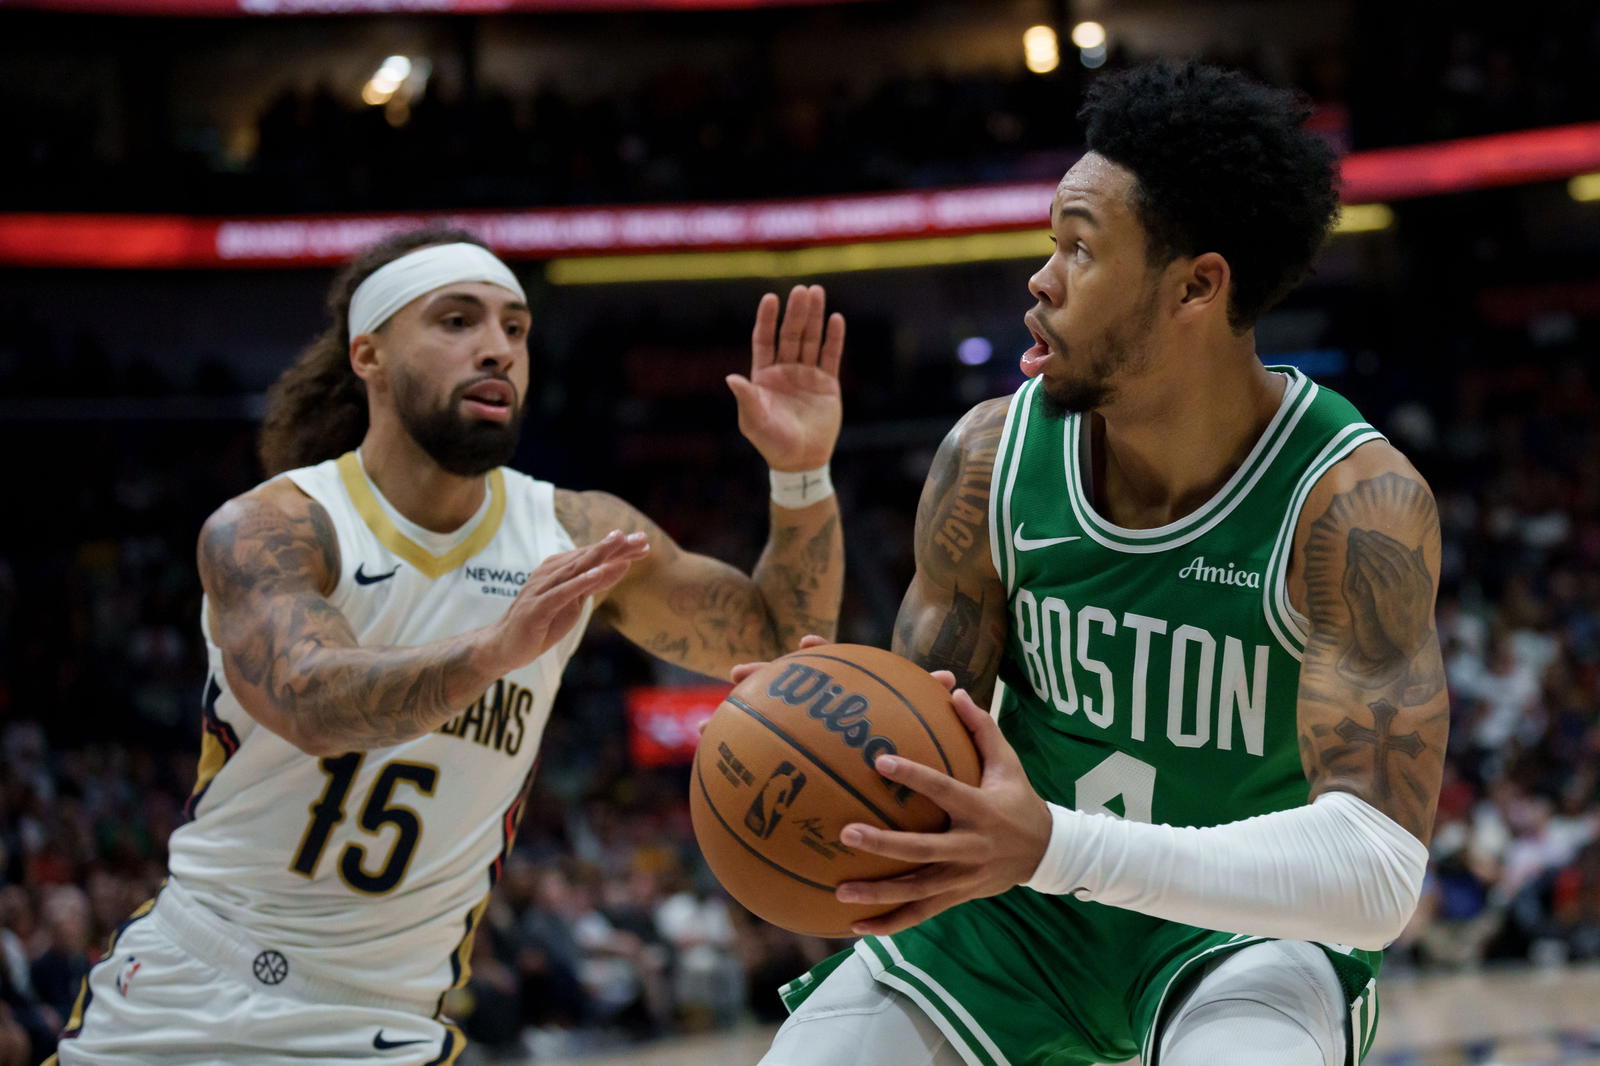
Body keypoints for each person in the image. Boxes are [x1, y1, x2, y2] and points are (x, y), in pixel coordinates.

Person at [759, 61, 1445, 1066]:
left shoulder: (1350, 503)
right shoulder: (987, 461)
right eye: (1051, 245)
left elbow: (1378, 874)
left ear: (1196, 287)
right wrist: (806, 713)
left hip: (1239, 930)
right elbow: (921, 740)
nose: (1040, 278)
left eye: (1079, 248)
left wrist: (1058, 847)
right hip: (1014, 916)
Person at [51, 228, 847, 1065]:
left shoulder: (573, 532)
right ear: (370, 354)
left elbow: (777, 643)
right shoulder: (278, 524)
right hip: (197, 996)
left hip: (392, 1020)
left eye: (515, 327)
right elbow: (311, 699)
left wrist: (801, 478)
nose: (497, 349)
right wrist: (489, 651)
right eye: (457, 321)